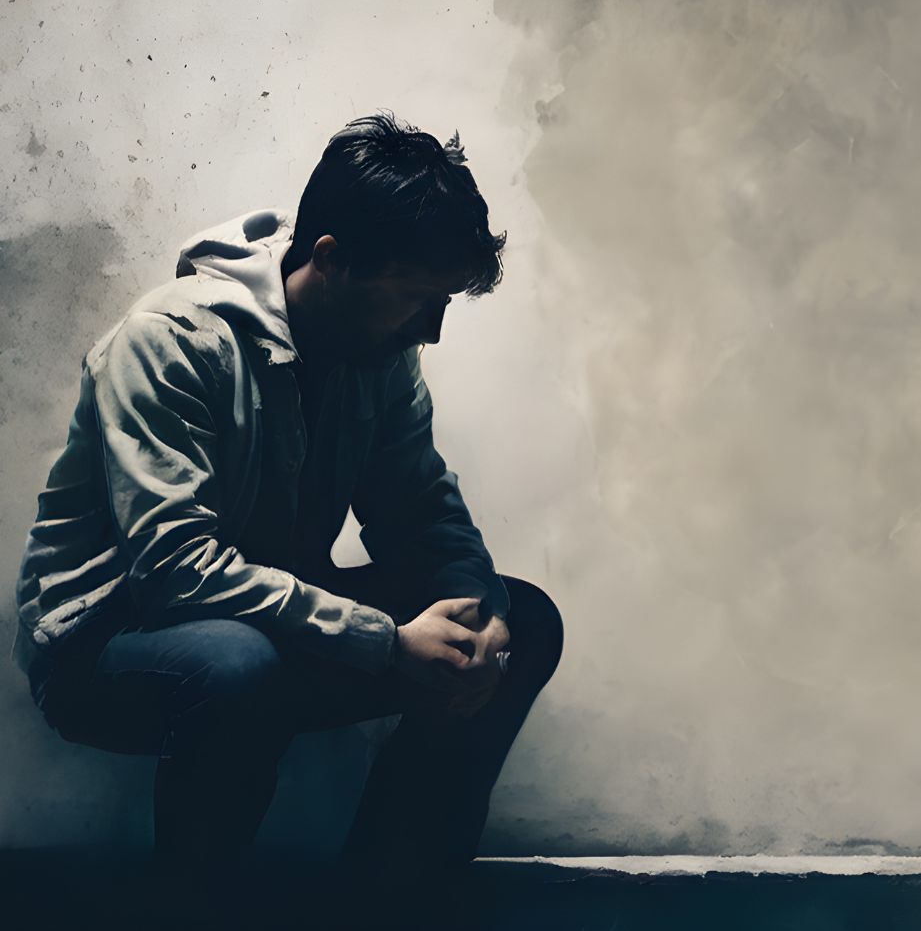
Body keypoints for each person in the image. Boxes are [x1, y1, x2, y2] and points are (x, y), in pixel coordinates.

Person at [11, 111, 562, 881]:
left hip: (273, 628)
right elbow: (173, 572)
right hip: (109, 642)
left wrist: (482, 617)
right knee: (236, 665)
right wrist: (385, 640)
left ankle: (390, 901)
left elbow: (421, 511)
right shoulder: (170, 342)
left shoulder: (381, 350)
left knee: (524, 618)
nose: (430, 331)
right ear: (332, 260)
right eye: (415, 298)